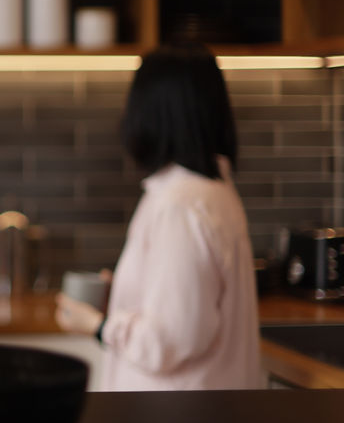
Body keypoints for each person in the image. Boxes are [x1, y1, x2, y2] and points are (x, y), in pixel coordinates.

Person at [55, 43, 261, 390]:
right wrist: (124, 292)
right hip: (208, 417)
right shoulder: (213, 193)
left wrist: (98, 325)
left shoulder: (180, 205)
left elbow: (170, 340)